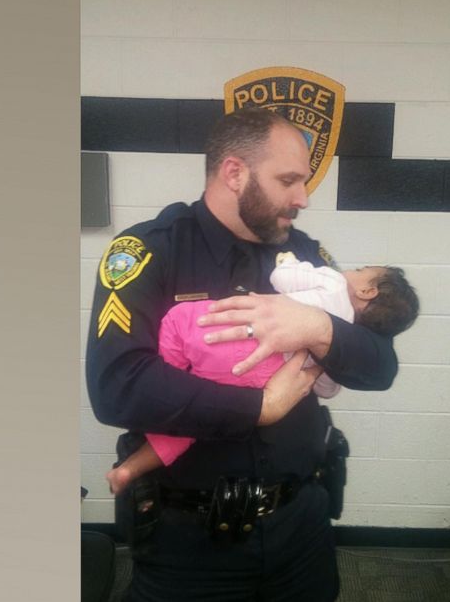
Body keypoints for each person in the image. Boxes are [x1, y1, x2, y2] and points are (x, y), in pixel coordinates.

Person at [85, 107, 402, 601]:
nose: (304, 197)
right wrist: (260, 407)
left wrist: (319, 327)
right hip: (189, 547)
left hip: (301, 531)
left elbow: (381, 367)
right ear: (234, 173)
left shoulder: (307, 257)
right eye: (289, 180)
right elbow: (117, 387)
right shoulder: (149, 252)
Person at [105, 258, 419, 494]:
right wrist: (320, 350)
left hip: (227, 334)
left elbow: (280, 276)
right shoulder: (347, 340)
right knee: (186, 431)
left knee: (178, 325)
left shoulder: (334, 282)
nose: (301, 199)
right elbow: (325, 388)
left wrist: (290, 261)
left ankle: (153, 421)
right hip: (255, 376)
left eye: (363, 268)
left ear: (368, 289)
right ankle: (130, 469)